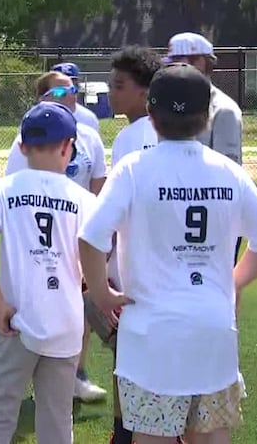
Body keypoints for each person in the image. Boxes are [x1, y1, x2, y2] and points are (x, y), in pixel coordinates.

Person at [79, 63, 257, 444]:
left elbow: (91, 237)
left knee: (152, 437)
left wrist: (101, 292)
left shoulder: (133, 169)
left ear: (150, 112)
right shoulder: (227, 171)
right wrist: (234, 280)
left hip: (151, 334)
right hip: (213, 329)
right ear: (207, 117)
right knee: (211, 437)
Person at [0, 101, 95, 444]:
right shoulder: (84, 199)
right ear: (69, 147)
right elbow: (97, 255)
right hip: (66, 322)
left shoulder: (2, 189)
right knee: (57, 423)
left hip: (17, 322)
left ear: (23, 147)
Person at [5, 70, 108, 402]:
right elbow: (16, 194)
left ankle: (76, 373)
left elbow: (99, 188)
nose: (71, 95)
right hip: (42, 238)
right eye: (61, 92)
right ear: (43, 99)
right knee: (39, 304)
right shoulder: (25, 143)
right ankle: (32, 375)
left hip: (78, 236)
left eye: (73, 89)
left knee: (79, 308)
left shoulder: (89, 136)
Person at [102, 45, 162, 444]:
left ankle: (126, 432)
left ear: (144, 92)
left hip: (131, 268)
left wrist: (103, 265)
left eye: (119, 85)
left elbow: (115, 209)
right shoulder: (169, 132)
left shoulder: (129, 137)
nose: (111, 92)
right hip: (167, 265)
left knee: (126, 360)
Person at [161, 32, 243, 164]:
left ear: (200, 62)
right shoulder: (164, 105)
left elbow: (227, 167)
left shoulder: (224, 110)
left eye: (177, 62)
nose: (170, 70)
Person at [51, 62, 101, 132]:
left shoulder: (88, 118)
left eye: (72, 88)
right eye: (61, 88)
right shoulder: (38, 116)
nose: (67, 93)